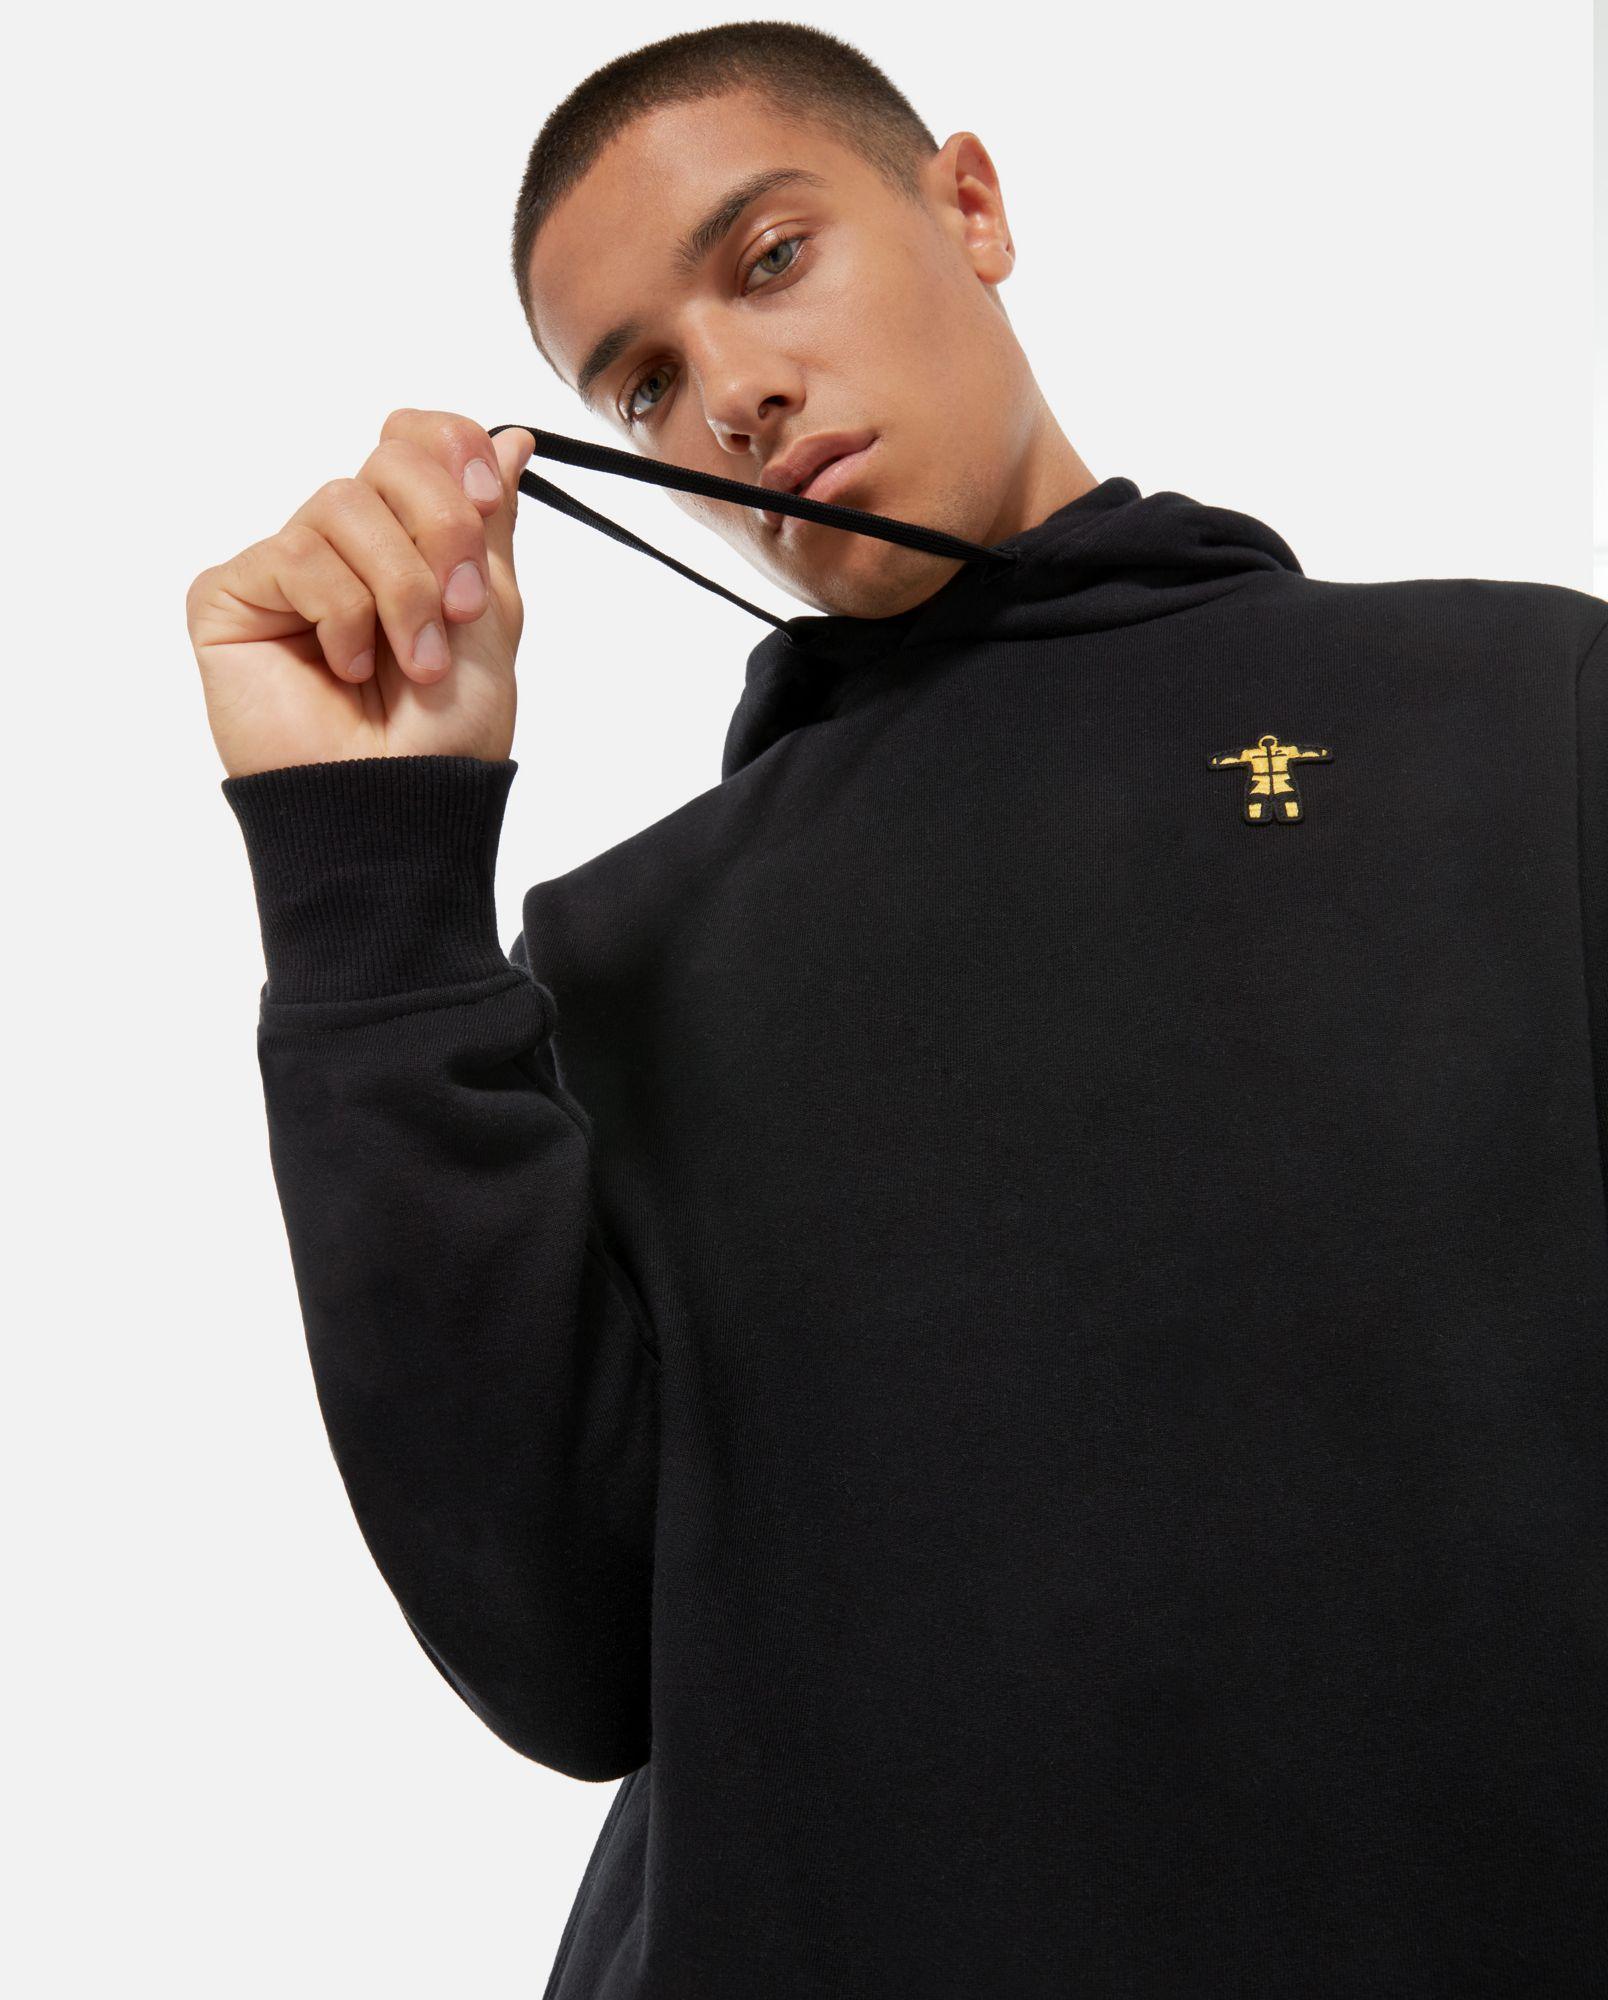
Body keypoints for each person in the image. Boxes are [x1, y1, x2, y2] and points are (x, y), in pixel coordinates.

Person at [183, 20, 1608, 1996]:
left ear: (970, 204)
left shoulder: (1520, 711)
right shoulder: (628, 949)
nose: (732, 397)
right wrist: (372, 880)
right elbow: (562, 1656)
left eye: (768, 258)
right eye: (640, 383)